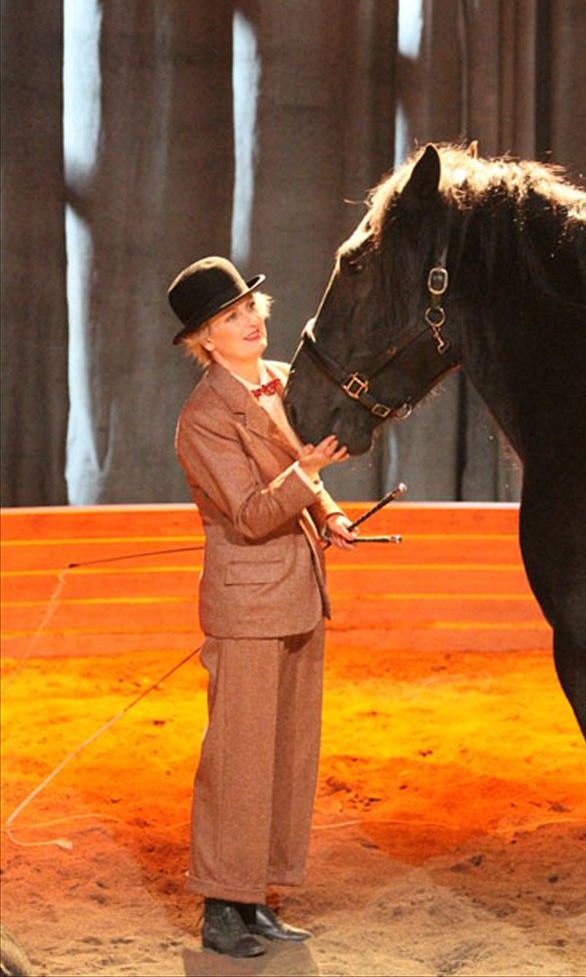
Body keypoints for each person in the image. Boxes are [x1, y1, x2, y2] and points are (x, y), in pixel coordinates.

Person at [167, 256, 356, 958]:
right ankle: (221, 905)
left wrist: (330, 511)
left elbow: (296, 473)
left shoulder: (278, 380)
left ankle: (257, 898)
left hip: (300, 593)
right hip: (248, 605)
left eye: (250, 308)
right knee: (239, 759)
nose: (249, 322)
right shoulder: (204, 417)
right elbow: (248, 513)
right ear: (204, 341)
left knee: (286, 755)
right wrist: (310, 474)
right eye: (229, 318)